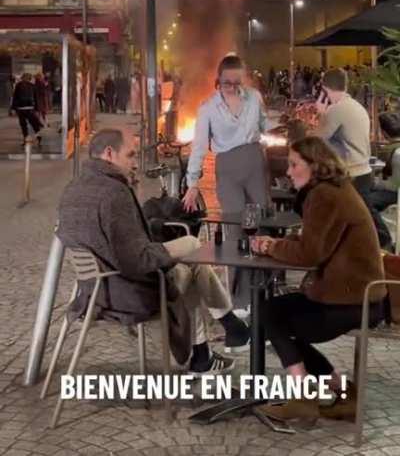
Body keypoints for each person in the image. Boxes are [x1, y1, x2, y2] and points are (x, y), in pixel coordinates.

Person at [57, 127, 250, 376]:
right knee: (192, 253)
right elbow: (138, 261)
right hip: (126, 294)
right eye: (130, 155)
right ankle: (226, 331)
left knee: (191, 258)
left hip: (94, 291)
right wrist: (165, 252)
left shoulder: (73, 188)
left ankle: (209, 349)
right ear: (108, 153)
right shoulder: (114, 193)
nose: (135, 163)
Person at [252, 136, 386, 423]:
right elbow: (314, 243)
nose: (288, 172)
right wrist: (282, 244)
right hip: (359, 295)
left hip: (350, 301)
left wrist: (270, 246)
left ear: (315, 165)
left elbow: (310, 254)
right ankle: (342, 391)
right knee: (276, 313)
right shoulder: (334, 189)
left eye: (294, 164)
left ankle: (303, 398)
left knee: (270, 314)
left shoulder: (324, 195)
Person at [183, 53, 279, 308]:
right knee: (236, 231)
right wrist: (192, 183)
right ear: (219, 80)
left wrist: (282, 125)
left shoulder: (255, 98)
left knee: (262, 225)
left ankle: (264, 296)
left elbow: (264, 124)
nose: (233, 87)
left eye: (238, 81)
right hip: (227, 168)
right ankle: (239, 301)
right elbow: (200, 146)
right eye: (228, 82)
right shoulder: (207, 108)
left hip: (255, 161)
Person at [315, 67, 392, 249]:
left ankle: (383, 242)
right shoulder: (358, 107)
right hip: (363, 168)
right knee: (361, 211)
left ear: (325, 89)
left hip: (351, 171)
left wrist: (321, 113)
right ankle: (378, 243)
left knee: (359, 212)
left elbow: (317, 138)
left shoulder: (337, 110)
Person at [370, 112, 400, 212]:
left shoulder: (395, 153)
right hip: (393, 189)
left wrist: (375, 183)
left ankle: (380, 228)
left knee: (363, 202)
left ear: (384, 133)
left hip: (394, 193)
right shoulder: (393, 150)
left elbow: (393, 186)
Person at [11, 73, 43, 146]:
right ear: (29, 78)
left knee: (23, 125)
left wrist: (13, 108)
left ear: (23, 78)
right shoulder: (33, 86)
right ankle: (38, 137)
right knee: (34, 124)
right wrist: (37, 109)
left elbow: (15, 97)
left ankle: (26, 139)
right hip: (30, 108)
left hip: (21, 108)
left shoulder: (18, 85)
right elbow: (36, 98)